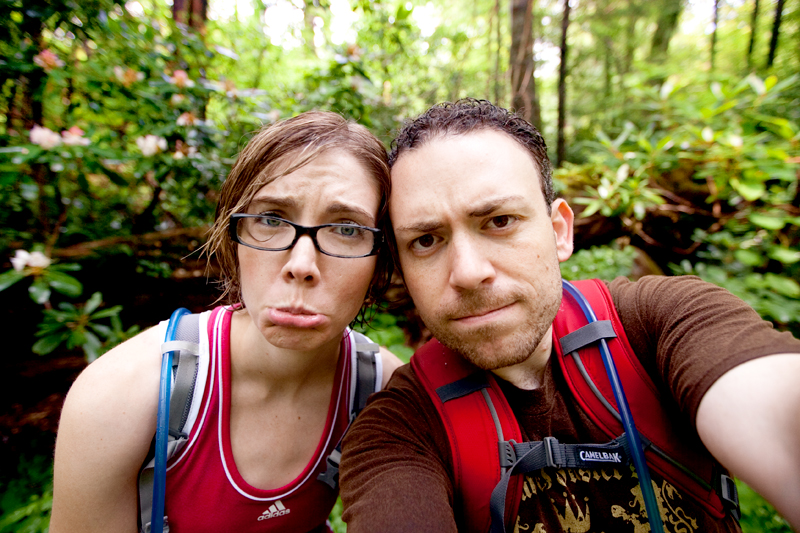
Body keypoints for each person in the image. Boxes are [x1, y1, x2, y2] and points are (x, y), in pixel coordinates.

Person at [338, 99, 800, 533]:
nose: (468, 272)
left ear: (559, 231)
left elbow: (773, 401)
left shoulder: (663, 323)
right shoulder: (398, 429)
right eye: (426, 240)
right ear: (402, 267)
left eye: (499, 221)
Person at [50, 110, 403, 533]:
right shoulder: (119, 399)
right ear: (232, 238)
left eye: (346, 228)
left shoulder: (381, 390)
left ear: (381, 258)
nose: (302, 264)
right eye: (271, 219)